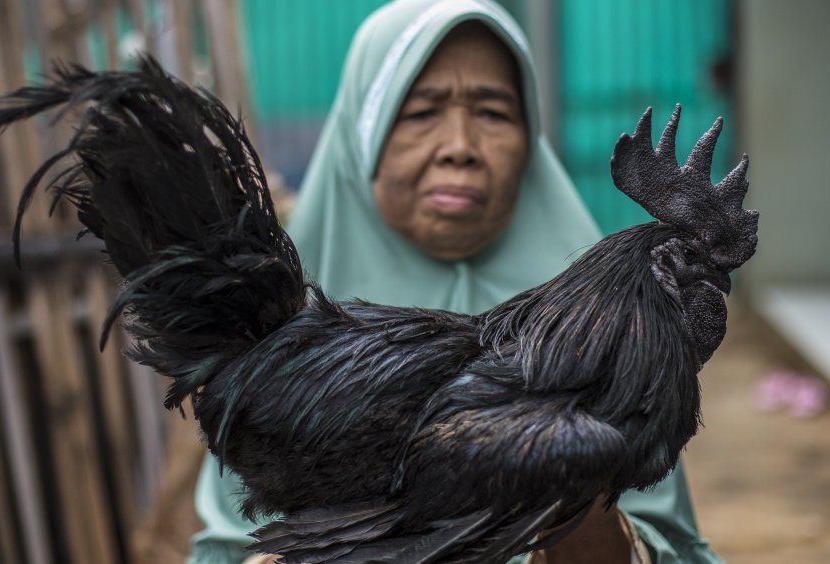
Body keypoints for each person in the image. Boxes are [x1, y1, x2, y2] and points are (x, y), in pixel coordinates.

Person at [188, 1, 722, 562]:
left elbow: (677, 551)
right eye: (421, 112)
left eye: (492, 112)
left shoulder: (615, 342)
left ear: (529, 134)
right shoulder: (280, 340)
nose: (460, 146)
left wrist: (573, 487)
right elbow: (224, 548)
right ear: (362, 133)